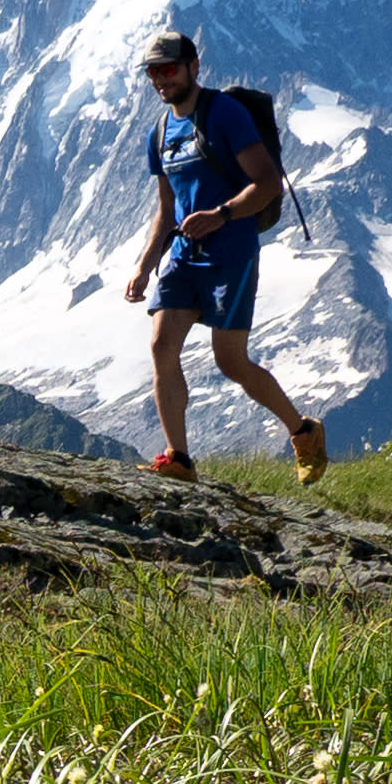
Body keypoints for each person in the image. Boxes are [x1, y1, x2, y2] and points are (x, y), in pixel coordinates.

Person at [119, 35, 323, 482]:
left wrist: (221, 215)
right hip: (183, 254)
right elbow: (166, 209)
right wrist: (144, 265)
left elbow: (266, 183)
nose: (160, 80)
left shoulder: (225, 114)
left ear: (193, 67)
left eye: (168, 69)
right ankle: (179, 459)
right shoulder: (160, 132)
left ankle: (304, 432)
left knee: (230, 361)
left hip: (231, 252)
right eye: (152, 72)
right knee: (161, 346)